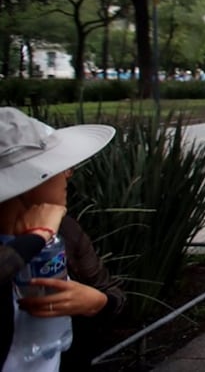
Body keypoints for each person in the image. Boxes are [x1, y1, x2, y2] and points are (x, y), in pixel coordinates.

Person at [0, 108, 124, 371]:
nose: (69, 173)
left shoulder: (66, 231)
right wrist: (33, 240)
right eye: (56, 166)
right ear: (27, 180)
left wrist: (97, 303)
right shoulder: (40, 237)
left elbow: (113, 295)